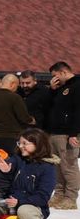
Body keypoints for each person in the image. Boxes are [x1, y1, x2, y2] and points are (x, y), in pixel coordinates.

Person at [45, 61, 80, 210]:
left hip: (68, 133)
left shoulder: (77, 85)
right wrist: (52, 90)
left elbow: (78, 111)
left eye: (55, 76)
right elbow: (49, 107)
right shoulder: (61, 88)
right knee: (57, 166)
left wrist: (74, 133)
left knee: (69, 166)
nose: (54, 79)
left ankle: (71, 197)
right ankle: (59, 193)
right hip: (55, 132)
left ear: (63, 72)